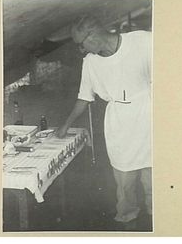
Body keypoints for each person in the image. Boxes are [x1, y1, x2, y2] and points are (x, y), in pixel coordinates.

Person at [56, 15, 152, 230]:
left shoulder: (143, 41)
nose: (81, 50)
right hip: (119, 123)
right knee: (124, 178)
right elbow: (84, 96)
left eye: (81, 44)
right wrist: (66, 124)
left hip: (150, 115)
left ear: (93, 35)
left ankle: (158, 218)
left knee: (153, 173)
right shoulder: (91, 62)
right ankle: (128, 219)